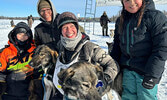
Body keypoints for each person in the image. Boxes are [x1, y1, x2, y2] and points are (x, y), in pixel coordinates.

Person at [52, 12, 119, 99]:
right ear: (60, 31)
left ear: (77, 27)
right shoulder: (60, 47)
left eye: (72, 26)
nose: (69, 30)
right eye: (65, 28)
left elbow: (112, 64)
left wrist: (105, 80)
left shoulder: (90, 48)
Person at [110, 0, 167, 100]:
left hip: (146, 72)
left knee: (146, 97)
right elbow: (116, 48)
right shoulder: (121, 20)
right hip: (127, 72)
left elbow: (161, 48)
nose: (131, 3)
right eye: (127, 0)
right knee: (128, 97)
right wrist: (111, 68)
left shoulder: (155, 17)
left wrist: (153, 75)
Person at [0, 22, 37, 100]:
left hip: (29, 93)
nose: (22, 37)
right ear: (14, 35)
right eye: (20, 35)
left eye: (25, 35)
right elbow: (1, 72)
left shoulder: (35, 51)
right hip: (8, 92)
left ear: (29, 36)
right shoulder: (6, 52)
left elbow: (39, 71)